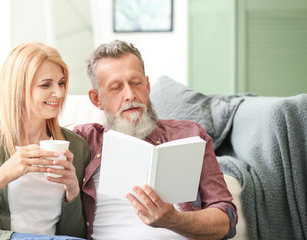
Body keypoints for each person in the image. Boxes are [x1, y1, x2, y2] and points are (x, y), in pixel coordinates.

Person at [74, 40, 238, 240]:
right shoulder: (83, 140)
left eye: (136, 83)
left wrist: (173, 219)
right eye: (116, 87)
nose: (130, 95)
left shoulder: (189, 135)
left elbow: (226, 220)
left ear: (148, 85)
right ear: (96, 99)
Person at [0, 42, 90, 240]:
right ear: (18, 89)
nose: (59, 93)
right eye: (46, 85)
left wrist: (72, 192)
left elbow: (75, 235)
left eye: (61, 83)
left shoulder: (76, 147)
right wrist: (3, 175)